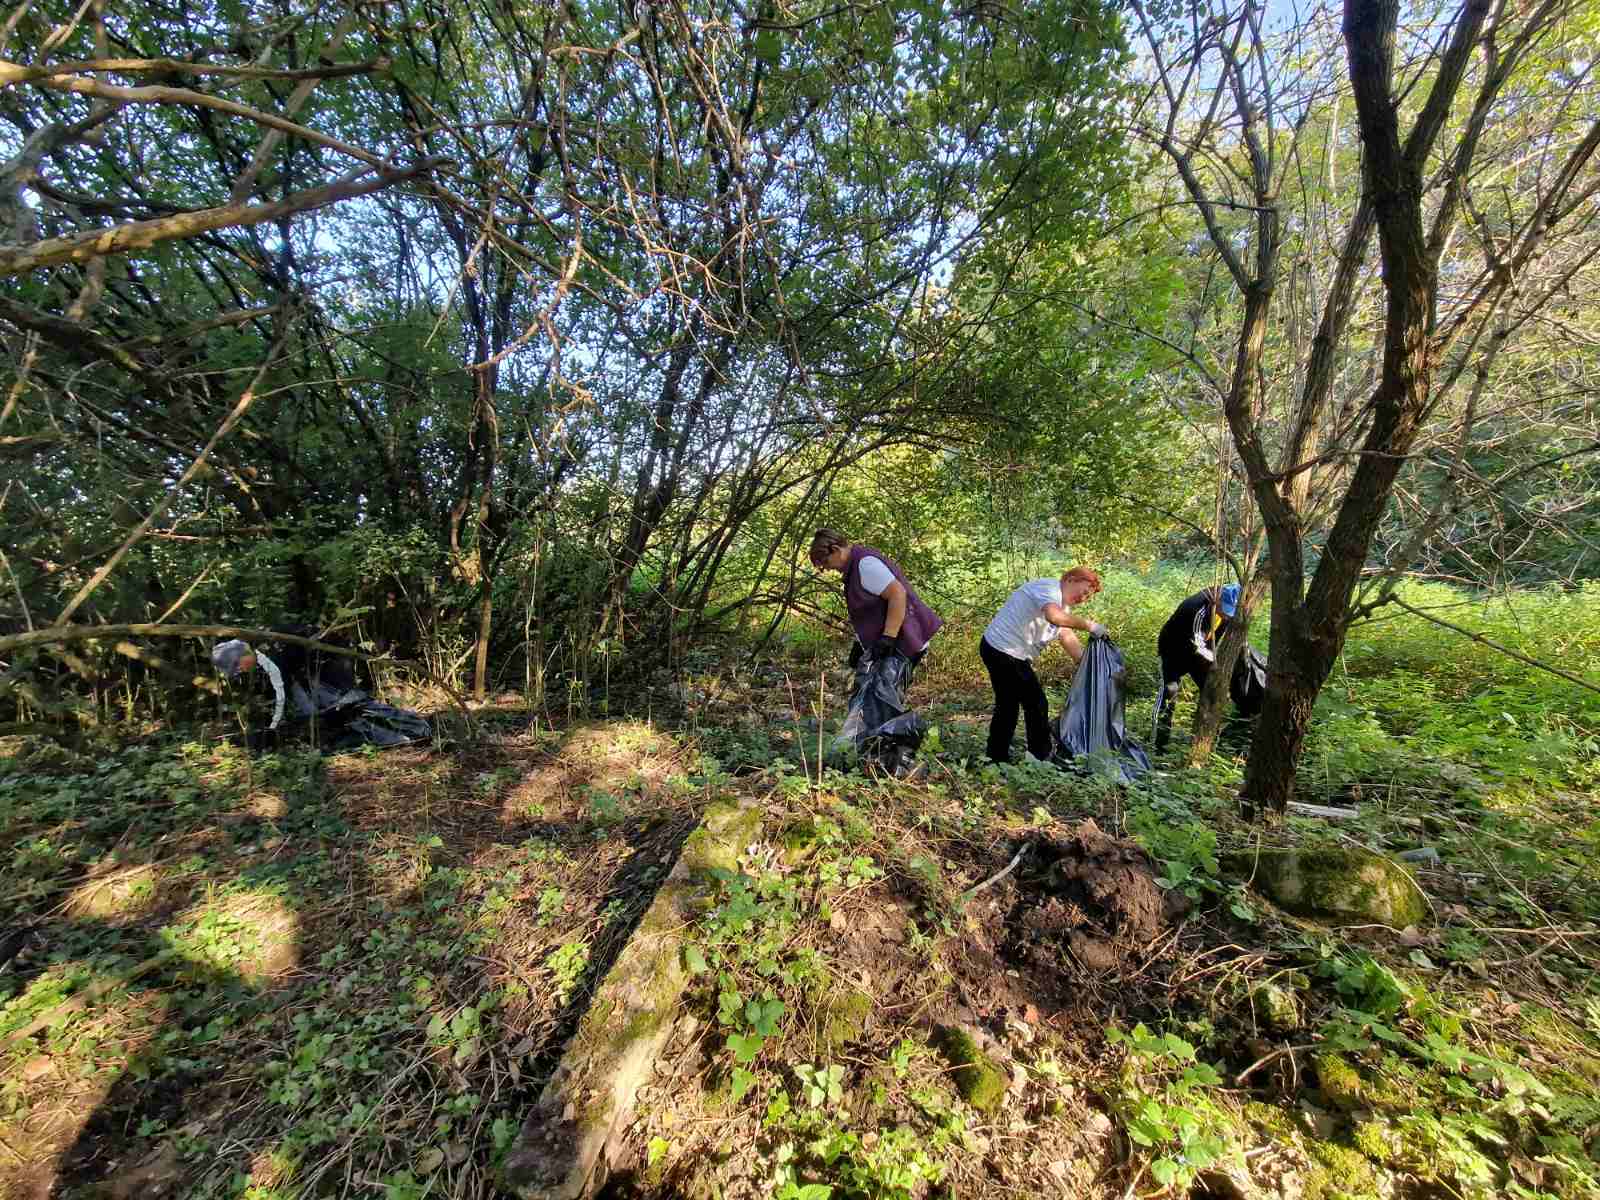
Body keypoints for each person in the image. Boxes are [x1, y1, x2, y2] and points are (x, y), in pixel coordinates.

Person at [980, 567, 1106, 764]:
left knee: (1008, 705)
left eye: (1088, 597)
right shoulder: (1050, 589)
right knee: (1036, 703)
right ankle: (1040, 756)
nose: (1083, 598)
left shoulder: (1062, 606)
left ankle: (996, 757)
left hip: (1002, 650)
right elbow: (1054, 617)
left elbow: (1065, 635)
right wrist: (1090, 625)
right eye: (1083, 592)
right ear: (1071, 579)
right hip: (1004, 650)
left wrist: (1086, 664)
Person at [808, 529, 944, 670]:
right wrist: (861, 644)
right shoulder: (855, 566)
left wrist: (888, 638)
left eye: (825, 562)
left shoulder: (865, 565)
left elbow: (898, 594)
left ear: (836, 550)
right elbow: (871, 607)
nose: (827, 568)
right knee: (876, 689)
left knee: (881, 691)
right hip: (893, 641)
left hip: (904, 640)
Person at [1152, 582, 1240, 752]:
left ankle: (1204, 741)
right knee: (1169, 692)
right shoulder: (1196, 607)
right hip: (1173, 653)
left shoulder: (1229, 613)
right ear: (1217, 600)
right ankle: (1158, 747)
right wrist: (1214, 658)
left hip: (1199, 654)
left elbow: (1213, 641)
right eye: (1224, 609)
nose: (1227, 615)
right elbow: (1197, 644)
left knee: (1212, 689)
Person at [211, 638, 287, 745]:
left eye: (238, 665)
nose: (240, 669)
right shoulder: (250, 669)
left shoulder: (271, 663)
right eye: (236, 668)